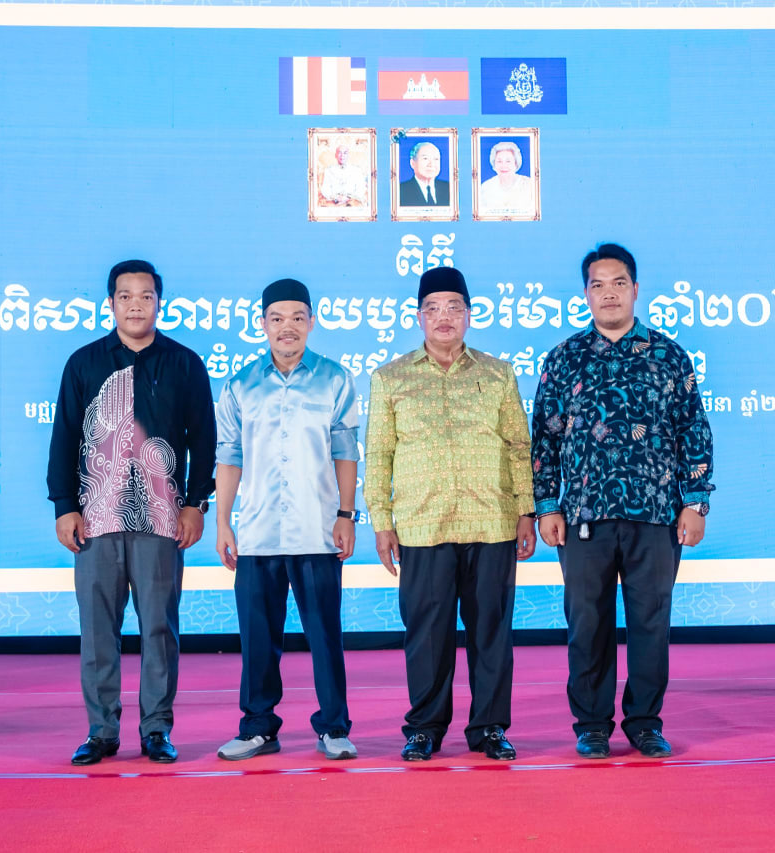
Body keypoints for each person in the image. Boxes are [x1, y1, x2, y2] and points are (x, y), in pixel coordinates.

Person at [531, 242, 714, 760]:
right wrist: (547, 505)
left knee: (650, 623)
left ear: (635, 289)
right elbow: (543, 438)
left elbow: (693, 431)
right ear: (585, 294)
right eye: (598, 285)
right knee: (586, 625)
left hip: (655, 513)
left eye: (618, 284)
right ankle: (591, 725)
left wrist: (695, 502)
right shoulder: (564, 358)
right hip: (583, 515)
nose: (608, 294)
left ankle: (645, 723)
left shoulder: (668, 355)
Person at [364, 266, 537, 762]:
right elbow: (379, 454)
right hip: (422, 525)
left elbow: (518, 445)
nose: (444, 318)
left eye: (454, 308)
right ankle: (424, 728)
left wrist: (526, 510)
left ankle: (489, 728)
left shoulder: (498, 373)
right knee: (427, 635)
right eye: (433, 309)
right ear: (419, 316)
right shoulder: (390, 377)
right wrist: (382, 521)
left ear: (469, 314)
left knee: (491, 633)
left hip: (492, 521)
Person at [48, 259, 216, 766]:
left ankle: (156, 729)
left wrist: (195, 503)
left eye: (146, 296)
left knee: (159, 628)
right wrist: (64, 506)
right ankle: (101, 732)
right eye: (126, 296)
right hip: (96, 518)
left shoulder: (184, 363)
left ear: (159, 303)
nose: (136, 305)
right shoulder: (83, 363)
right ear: (111, 303)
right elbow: (64, 437)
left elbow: (204, 439)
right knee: (98, 630)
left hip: (162, 520)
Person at [213, 279, 361, 762]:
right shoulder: (240, 385)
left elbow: (345, 451)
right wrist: (224, 523)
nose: (287, 327)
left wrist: (346, 515)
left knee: (325, 636)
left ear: (311, 322)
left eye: (298, 317)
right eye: (277, 319)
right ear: (263, 324)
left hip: (317, 530)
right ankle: (258, 727)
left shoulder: (334, 379)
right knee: (257, 639)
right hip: (257, 533)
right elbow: (229, 455)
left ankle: (334, 727)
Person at [478, 141, 534, 216]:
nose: (503, 166)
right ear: (494, 164)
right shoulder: (485, 187)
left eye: (508, 161)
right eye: (499, 161)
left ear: (516, 164)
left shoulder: (530, 185)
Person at [398, 141, 450, 207]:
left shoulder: (449, 188)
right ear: (412, 163)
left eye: (436, 159)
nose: (431, 164)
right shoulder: (400, 191)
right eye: (425, 158)